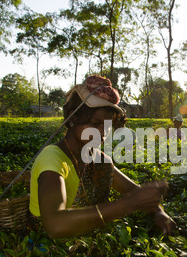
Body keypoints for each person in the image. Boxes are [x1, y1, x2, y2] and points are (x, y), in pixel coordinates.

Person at [29, 75, 176, 239]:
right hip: (47, 250)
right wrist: (126, 205)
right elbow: (55, 225)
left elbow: (135, 192)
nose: (102, 132)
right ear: (73, 118)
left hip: (85, 243)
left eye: (107, 126)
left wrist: (158, 211)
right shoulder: (52, 158)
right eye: (95, 123)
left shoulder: (99, 160)